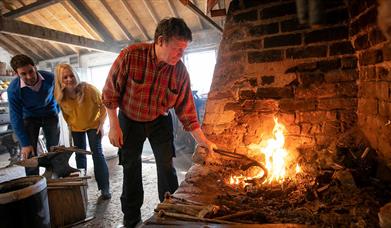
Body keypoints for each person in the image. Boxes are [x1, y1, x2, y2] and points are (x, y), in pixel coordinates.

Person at [102, 17, 216, 227]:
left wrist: (203, 141)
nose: (181, 55)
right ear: (161, 41)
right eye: (178, 49)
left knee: (166, 166)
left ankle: (171, 210)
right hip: (129, 119)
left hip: (159, 120)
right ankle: (131, 217)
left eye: (184, 50)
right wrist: (114, 125)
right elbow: (110, 93)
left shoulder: (180, 71)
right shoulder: (130, 55)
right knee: (131, 167)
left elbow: (187, 111)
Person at [54, 63, 111, 199]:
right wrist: (70, 127)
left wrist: (101, 124)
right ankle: (82, 187)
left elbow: (103, 104)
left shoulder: (89, 89)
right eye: (65, 77)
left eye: (71, 75)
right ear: (59, 80)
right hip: (76, 127)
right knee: (80, 155)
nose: (69, 79)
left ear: (76, 75)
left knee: (97, 153)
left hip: (93, 125)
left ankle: (104, 188)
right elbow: (65, 115)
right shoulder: (60, 96)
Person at [8, 54, 60, 176]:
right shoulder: (13, 90)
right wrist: (25, 144)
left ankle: (55, 175)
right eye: (23, 74)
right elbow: (16, 118)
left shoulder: (50, 78)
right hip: (30, 117)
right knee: (29, 153)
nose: (29, 76)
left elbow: (59, 96)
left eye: (31, 71)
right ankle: (34, 182)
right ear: (17, 74)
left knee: (54, 149)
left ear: (35, 67)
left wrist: (56, 110)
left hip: (50, 114)